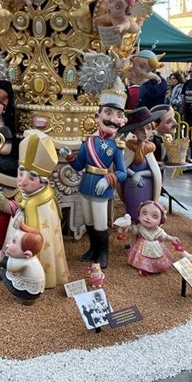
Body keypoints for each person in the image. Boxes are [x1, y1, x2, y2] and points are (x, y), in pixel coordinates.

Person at [61, 78, 128, 268]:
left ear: (121, 121)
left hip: (101, 187)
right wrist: (69, 157)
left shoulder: (117, 146)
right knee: (88, 220)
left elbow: (122, 172)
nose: (112, 118)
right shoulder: (88, 141)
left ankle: (103, 253)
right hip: (86, 184)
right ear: (98, 116)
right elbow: (79, 165)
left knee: (100, 222)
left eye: (117, 115)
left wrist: (108, 180)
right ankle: (93, 249)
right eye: (108, 113)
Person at [0, 130, 69, 289]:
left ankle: (34, 278)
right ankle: (10, 272)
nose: (22, 182)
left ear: (43, 181)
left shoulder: (45, 202)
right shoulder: (23, 193)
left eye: (31, 178)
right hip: (15, 237)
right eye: (20, 174)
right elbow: (14, 209)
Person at [119, 107, 163, 221]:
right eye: (140, 130)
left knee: (145, 208)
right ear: (134, 131)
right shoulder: (129, 147)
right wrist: (133, 174)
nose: (145, 133)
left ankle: (144, 222)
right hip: (130, 184)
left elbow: (153, 171)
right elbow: (123, 166)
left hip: (146, 185)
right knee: (132, 209)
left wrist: (140, 174)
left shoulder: (150, 148)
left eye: (148, 128)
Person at [117, 201, 181, 276]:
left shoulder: (158, 230)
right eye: (144, 213)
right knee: (142, 258)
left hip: (155, 247)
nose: (147, 218)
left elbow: (164, 236)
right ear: (139, 215)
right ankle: (143, 267)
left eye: (154, 216)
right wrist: (126, 227)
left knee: (156, 258)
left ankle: (156, 267)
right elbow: (133, 230)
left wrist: (172, 238)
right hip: (141, 246)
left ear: (161, 220)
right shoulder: (140, 227)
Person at [0, 221, 46, 305]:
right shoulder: (32, 258)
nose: (8, 243)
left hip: (27, 291)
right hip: (35, 288)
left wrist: (2, 257)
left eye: (14, 241)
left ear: (27, 254)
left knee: (4, 272)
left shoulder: (24, 262)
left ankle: (24, 298)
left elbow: (8, 265)